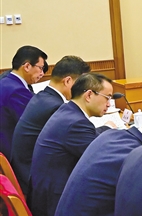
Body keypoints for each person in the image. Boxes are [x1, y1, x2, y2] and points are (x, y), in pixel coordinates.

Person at [28, 73, 113, 216]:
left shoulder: (68, 111)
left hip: (46, 193)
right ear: (89, 95)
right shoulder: (76, 123)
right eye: (107, 97)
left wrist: (107, 129)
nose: (109, 104)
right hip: (56, 203)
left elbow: (90, 137)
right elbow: (102, 157)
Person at [11, 56, 91, 196]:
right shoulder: (55, 107)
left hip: (25, 170)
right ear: (68, 81)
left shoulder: (43, 97)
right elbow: (82, 144)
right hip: (36, 183)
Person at [0, 45, 47, 158]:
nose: (42, 73)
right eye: (40, 68)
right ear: (27, 66)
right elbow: (33, 124)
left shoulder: (5, 81)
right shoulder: (18, 91)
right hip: (13, 153)